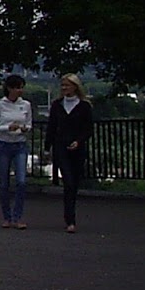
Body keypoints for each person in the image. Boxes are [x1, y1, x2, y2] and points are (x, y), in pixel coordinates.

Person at [45, 73, 94, 234]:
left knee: (75, 182)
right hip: (61, 146)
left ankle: (71, 212)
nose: (64, 88)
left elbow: (88, 129)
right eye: (63, 85)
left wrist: (78, 141)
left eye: (67, 85)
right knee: (68, 181)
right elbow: (52, 127)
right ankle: (70, 219)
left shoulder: (84, 106)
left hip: (77, 148)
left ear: (75, 87)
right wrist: (47, 147)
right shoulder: (57, 105)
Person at [0, 74, 33, 228]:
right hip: (4, 145)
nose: (20, 91)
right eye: (17, 87)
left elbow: (29, 123)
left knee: (21, 181)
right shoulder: (0, 104)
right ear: (9, 88)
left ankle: (17, 217)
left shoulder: (26, 105)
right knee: (4, 183)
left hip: (20, 144)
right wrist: (7, 128)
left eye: (21, 87)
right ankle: (7, 216)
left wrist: (25, 129)